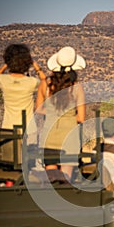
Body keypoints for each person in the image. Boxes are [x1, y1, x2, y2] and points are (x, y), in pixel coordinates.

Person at [36, 46, 86, 181]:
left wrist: (53, 112)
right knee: (66, 179)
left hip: (49, 137)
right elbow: (81, 118)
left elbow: (39, 109)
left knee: (50, 178)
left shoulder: (45, 85)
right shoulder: (77, 87)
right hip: (69, 138)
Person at [0, 43, 46, 144]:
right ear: (27, 62)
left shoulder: (2, 80)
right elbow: (44, 81)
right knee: (29, 158)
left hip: (8, 128)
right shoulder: (32, 82)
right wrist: (36, 66)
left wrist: (5, 66)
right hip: (29, 129)